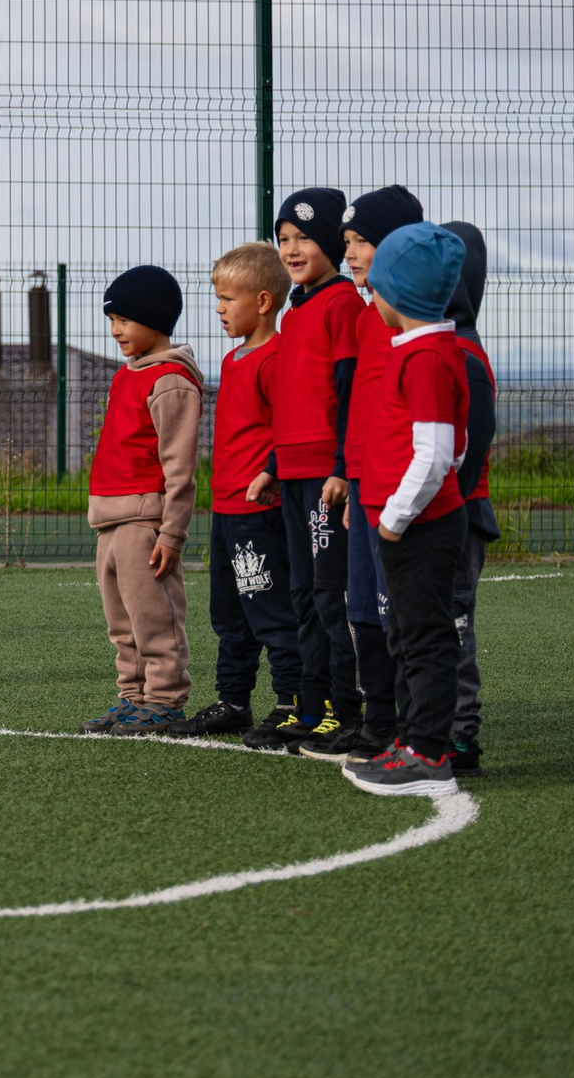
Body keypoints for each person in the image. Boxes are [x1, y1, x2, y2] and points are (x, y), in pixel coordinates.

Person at [341, 221, 469, 798]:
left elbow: (438, 452)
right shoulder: (423, 348)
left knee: (423, 639)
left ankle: (428, 756)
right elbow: (456, 444)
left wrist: (394, 518)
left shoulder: (426, 357)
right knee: (407, 636)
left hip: (416, 528)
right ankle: (415, 740)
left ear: (402, 294)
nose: (372, 294)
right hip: (412, 523)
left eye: (380, 286)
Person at [301, 185, 421, 763]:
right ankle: (376, 722)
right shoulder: (371, 315)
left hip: (398, 492)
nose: (351, 253)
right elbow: (359, 409)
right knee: (359, 608)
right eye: (347, 242)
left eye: (363, 242)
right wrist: (350, 474)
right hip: (365, 488)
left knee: (390, 610)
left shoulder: (409, 321)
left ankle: (407, 727)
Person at [249, 188, 362, 753]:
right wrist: (272, 464)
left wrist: (341, 467)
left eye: (303, 238)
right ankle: (310, 708)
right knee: (301, 594)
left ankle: (347, 711)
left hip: (325, 478)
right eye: (283, 238)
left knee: (327, 596)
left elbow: (346, 392)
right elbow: (291, 402)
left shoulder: (343, 304)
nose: (291, 249)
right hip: (292, 474)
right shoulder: (295, 313)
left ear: (328, 244)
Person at [181, 243, 303, 736]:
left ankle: (292, 702)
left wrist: (271, 470)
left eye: (228, 298)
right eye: (218, 297)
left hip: (260, 511)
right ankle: (233, 702)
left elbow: (291, 425)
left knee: (271, 613)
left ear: (264, 301)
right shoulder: (234, 361)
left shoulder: (277, 357)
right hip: (226, 510)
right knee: (228, 615)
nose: (219, 308)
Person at [79, 265, 203, 736]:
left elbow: (180, 468)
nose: (116, 330)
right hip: (109, 521)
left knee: (154, 617)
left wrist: (171, 532)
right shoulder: (124, 376)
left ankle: (166, 700)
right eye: (112, 320)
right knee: (122, 622)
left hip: (144, 521)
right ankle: (133, 698)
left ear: (156, 319)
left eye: (126, 320)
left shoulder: (171, 380)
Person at [441, 221, 496, 775]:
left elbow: (472, 447)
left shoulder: (464, 353)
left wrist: (444, 512)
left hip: (456, 515)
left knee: (451, 623)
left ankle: (460, 738)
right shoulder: (440, 344)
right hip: (437, 513)